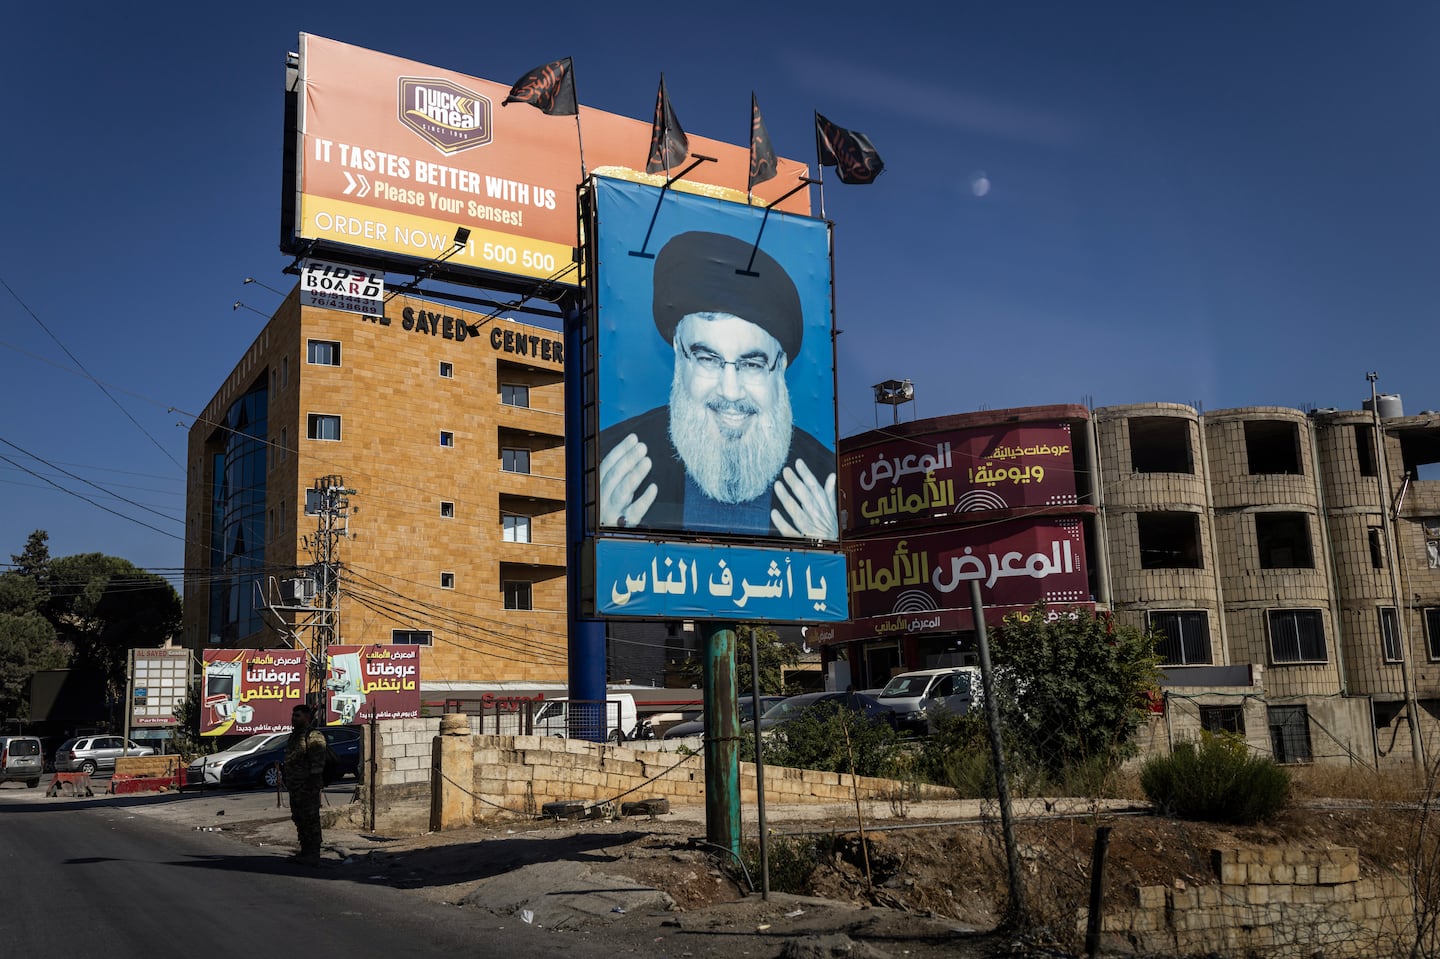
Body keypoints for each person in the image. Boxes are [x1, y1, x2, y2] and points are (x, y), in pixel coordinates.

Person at [599, 230, 837, 539]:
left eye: (752, 364)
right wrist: (606, 545)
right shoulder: (611, 464)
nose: (730, 391)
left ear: (780, 366)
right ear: (678, 353)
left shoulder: (824, 477)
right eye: (707, 359)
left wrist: (826, 549)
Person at [283, 703, 328, 865]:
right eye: (293, 715)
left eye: (298, 716)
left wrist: (312, 784)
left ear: (307, 717)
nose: (293, 719)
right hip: (295, 786)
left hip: (307, 787)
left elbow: (318, 763)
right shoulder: (295, 736)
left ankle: (314, 852)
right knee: (299, 818)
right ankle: (305, 850)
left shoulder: (313, 735)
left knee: (311, 819)